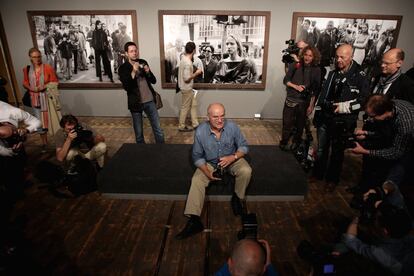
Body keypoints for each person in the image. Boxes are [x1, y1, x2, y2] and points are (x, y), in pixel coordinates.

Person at [175, 103, 252, 240]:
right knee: (197, 180)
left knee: (246, 170)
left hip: (231, 159)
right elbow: (197, 156)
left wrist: (233, 157)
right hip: (210, 162)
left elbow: (244, 147)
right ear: (208, 117)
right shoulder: (200, 131)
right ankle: (194, 220)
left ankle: (237, 198)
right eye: (215, 116)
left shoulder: (232, 127)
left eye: (222, 116)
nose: (220, 120)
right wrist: (206, 171)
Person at [312, 44, 369, 192]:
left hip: (344, 121)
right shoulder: (333, 73)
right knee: (321, 150)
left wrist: (345, 107)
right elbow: (323, 95)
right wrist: (317, 114)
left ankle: (332, 180)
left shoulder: (360, 76)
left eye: (342, 57)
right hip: (326, 118)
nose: (338, 60)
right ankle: (318, 174)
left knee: (337, 152)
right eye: (337, 56)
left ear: (351, 57)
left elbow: (364, 101)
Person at [0, 101, 41, 261]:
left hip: (14, 154)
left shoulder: (12, 112)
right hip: (5, 154)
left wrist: (26, 130)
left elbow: (36, 122)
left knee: (13, 188)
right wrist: (7, 152)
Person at [351, 95, 414, 186]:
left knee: (390, 181)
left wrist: (365, 151)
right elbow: (387, 133)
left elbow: (396, 152)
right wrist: (366, 133)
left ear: (384, 113)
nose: (370, 120)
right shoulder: (389, 106)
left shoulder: (405, 124)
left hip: (407, 151)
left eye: (372, 116)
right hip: (396, 143)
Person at [341, 209, 414, 275]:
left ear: (385, 231)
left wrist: (355, 219)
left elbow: (350, 240)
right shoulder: (408, 236)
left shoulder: (379, 252)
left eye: (375, 219)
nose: (372, 219)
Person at [118, 41, 164, 144]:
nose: (134, 53)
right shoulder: (123, 68)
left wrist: (148, 72)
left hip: (150, 101)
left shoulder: (143, 62)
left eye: (135, 50)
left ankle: (162, 150)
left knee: (158, 130)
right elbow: (127, 87)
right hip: (135, 103)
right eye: (131, 51)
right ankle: (142, 154)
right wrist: (133, 71)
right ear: (126, 53)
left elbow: (153, 81)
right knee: (139, 134)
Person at [280, 46, 321, 151]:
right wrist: (296, 86)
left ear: (314, 57)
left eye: (310, 55)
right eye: (306, 55)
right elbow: (286, 81)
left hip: (304, 102)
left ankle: (296, 142)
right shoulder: (295, 65)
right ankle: (284, 142)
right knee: (287, 123)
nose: (307, 57)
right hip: (291, 99)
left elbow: (315, 90)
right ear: (303, 55)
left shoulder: (316, 70)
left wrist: (311, 106)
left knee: (300, 125)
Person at [22, 47, 59, 151]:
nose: (37, 59)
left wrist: (43, 87)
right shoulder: (27, 69)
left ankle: (58, 143)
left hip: (46, 97)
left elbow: (55, 81)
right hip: (35, 99)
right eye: (34, 57)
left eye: (39, 57)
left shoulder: (47, 68)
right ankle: (44, 143)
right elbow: (25, 82)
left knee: (52, 120)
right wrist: (31, 88)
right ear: (30, 57)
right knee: (39, 121)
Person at [177, 41, 202, 132]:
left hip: (186, 88)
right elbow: (187, 78)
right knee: (185, 107)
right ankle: (181, 126)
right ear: (194, 50)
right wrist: (196, 73)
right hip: (186, 88)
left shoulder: (183, 59)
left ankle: (195, 124)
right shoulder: (187, 62)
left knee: (193, 105)